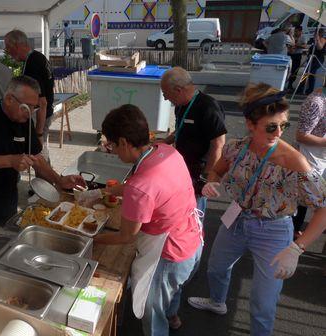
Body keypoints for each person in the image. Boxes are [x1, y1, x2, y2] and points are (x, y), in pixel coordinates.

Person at [188, 83, 326, 336]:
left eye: (283, 125)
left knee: (262, 303)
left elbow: (324, 208)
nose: (279, 132)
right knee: (216, 268)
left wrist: (297, 247)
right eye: (271, 126)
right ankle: (218, 302)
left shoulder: (295, 161)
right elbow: (217, 169)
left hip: (272, 230)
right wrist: (211, 182)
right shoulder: (237, 147)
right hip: (237, 218)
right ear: (250, 124)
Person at [84, 104, 203, 336]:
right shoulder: (165, 151)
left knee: (152, 311)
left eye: (113, 146)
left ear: (124, 142)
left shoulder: (141, 186)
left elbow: (126, 236)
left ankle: (162, 324)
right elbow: (140, 187)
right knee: (173, 292)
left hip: (168, 255)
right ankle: (173, 316)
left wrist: (92, 239)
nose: (114, 153)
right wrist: (101, 193)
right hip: (191, 240)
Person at [0, 76, 84, 233]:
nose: (30, 113)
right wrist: (10, 160)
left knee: (9, 233)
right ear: (10, 99)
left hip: (8, 190)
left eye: (34, 108)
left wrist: (59, 180)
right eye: (27, 106)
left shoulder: (24, 120)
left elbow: (37, 158)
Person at [159, 67, 227, 214]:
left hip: (199, 172)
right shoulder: (180, 106)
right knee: (179, 210)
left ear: (178, 90)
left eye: (165, 93)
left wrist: (206, 177)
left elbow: (218, 144)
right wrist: (164, 143)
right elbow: (180, 129)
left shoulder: (208, 107)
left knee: (194, 213)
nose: (165, 98)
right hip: (182, 168)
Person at [4, 30, 55, 162]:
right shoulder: (38, 57)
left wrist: (38, 133)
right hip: (44, 115)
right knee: (40, 155)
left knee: (38, 155)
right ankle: (48, 180)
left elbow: (42, 102)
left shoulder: (33, 63)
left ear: (17, 45)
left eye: (8, 48)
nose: (7, 52)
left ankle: (47, 181)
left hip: (39, 117)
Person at [292, 86, 325, 234]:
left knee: (308, 197)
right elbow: (301, 135)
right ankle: (291, 233)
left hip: (319, 154)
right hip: (309, 155)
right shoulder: (316, 102)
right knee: (303, 196)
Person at [305, 28, 326, 95]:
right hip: (311, 58)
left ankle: (310, 89)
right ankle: (304, 88)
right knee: (307, 72)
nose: (314, 34)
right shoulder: (313, 39)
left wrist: (317, 39)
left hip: (318, 58)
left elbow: (320, 47)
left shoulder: (322, 39)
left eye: (315, 33)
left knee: (312, 73)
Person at [287, 25, 307, 92]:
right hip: (290, 54)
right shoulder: (292, 36)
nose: (295, 32)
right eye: (295, 31)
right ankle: (288, 85)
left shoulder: (303, 37)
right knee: (289, 70)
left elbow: (305, 46)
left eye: (297, 31)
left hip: (297, 55)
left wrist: (297, 45)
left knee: (295, 70)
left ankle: (290, 85)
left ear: (300, 31)